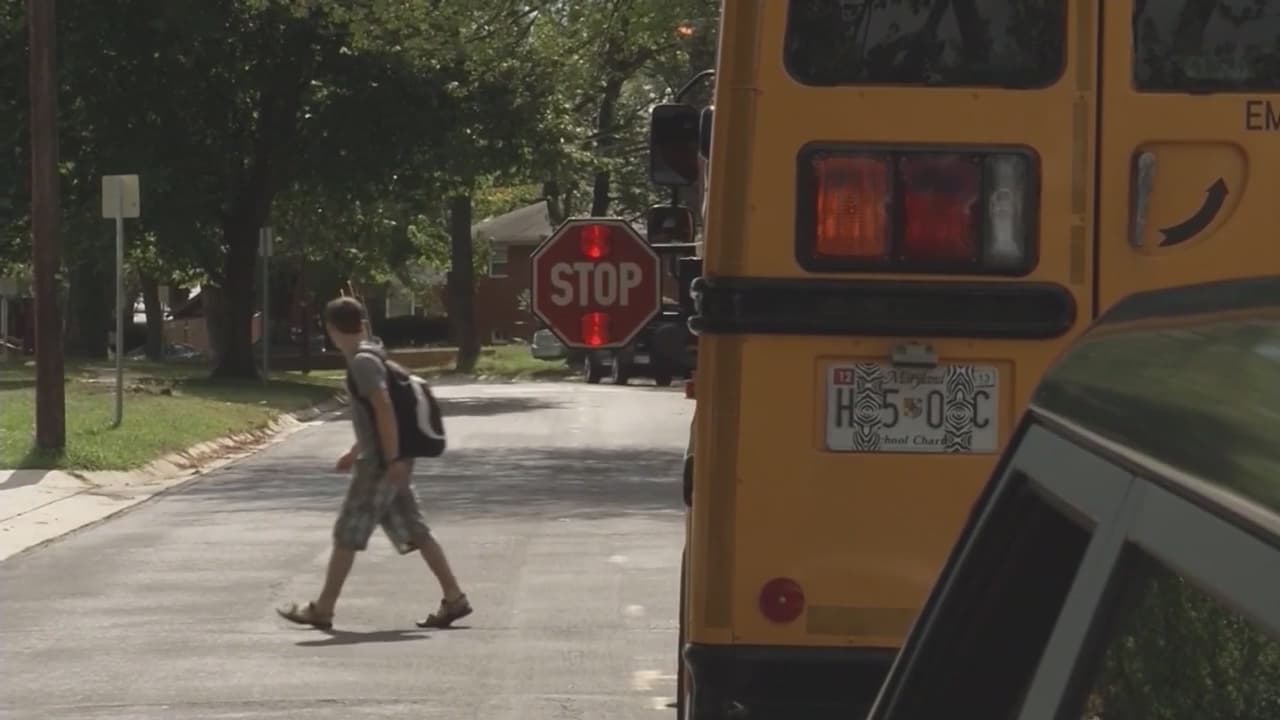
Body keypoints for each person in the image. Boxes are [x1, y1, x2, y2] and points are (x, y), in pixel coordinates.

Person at [277, 295, 471, 630]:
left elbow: (383, 408)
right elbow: (375, 414)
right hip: (388, 459)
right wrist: (355, 450)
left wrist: (391, 457)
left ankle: (323, 609)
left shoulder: (362, 364)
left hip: (381, 463)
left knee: (347, 532)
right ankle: (454, 598)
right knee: (416, 531)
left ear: (332, 329)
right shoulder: (371, 356)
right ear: (362, 324)